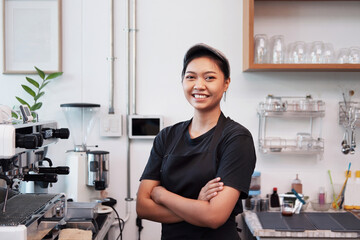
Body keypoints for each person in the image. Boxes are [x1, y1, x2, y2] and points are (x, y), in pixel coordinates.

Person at [136, 43, 256, 239]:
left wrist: (161, 195)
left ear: (226, 83)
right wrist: (198, 204)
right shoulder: (166, 137)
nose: (199, 85)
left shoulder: (236, 138)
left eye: (209, 78)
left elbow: (214, 216)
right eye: (191, 77)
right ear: (182, 81)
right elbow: (142, 207)